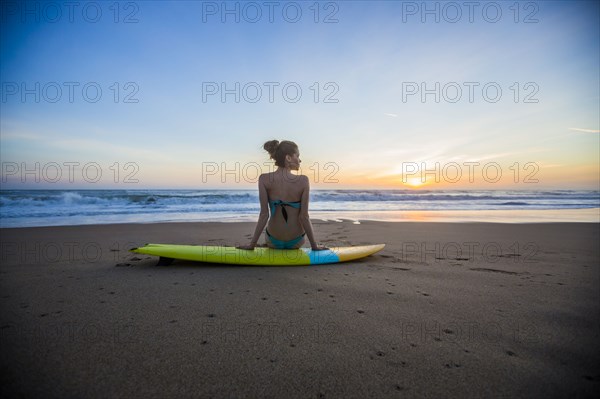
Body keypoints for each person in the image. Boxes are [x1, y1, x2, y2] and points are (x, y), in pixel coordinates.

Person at [237, 140, 327, 251]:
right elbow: (304, 217)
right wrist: (314, 247)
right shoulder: (303, 181)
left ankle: (264, 244)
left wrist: (252, 245)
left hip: (273, 241)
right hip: (297, 241)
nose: (300, 160)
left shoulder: (264, 179)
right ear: (288, 158)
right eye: (297, 156)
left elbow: (264, 215)